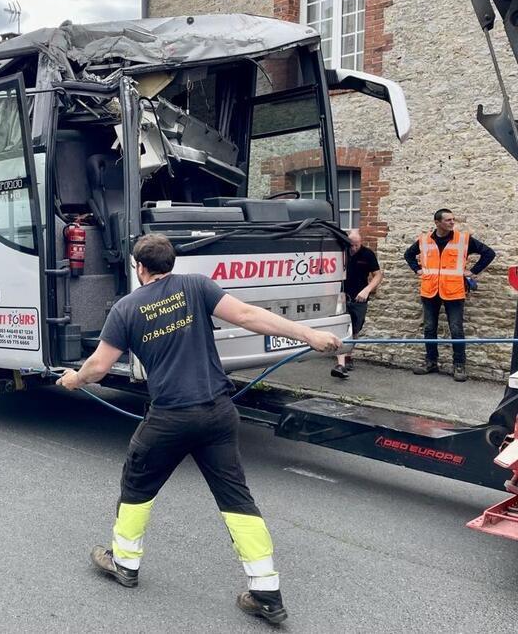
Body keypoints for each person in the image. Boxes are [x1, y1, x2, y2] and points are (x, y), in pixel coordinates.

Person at [57, 233, 341, 625]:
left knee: (137, 487)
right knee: (237, 500)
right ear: (171, 263)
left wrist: (74, 380)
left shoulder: (125, 309)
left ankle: (124, 563)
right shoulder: (196, 286)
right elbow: (248, 316)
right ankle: (267, 593)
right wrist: (309, 335)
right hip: (218, 415)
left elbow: (99, 368)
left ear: (139, 268)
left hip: (170, 419)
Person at [404, 208, 495, 382]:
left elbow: (489, 253)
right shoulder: (424, 240)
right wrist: (416, 269)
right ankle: (431, 362)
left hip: (454, 291)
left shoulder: (463, 239)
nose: (452, 223)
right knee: (430, 328)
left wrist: (473, 271)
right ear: (437, 223)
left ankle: (459, 365)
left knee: (456, 329)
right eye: (448, 220)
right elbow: (408, 255)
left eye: (453, 220)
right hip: (430, 290)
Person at [331, 229, 383, 379]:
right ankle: (340, 364)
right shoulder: (341, 253)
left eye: (356, 245)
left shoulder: (367, 254)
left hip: (359, 298)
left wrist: (367, 290)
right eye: (351, 245)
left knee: (355, 329)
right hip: (341, 296)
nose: (353, 248)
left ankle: (347, 356)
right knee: (342, 328)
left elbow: (378, 275)